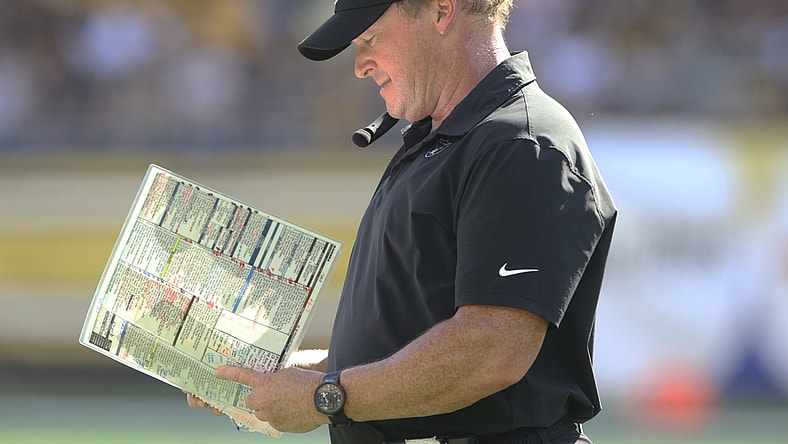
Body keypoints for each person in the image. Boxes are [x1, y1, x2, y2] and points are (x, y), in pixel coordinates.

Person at [187, 1, 617, 443]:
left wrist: (324, 395)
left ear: (442, 11)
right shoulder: (451, 138)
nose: (359, 66)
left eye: (369, 40)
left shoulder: (520, 144)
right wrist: (283, 377)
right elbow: (401, 346)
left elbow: (491, 350)